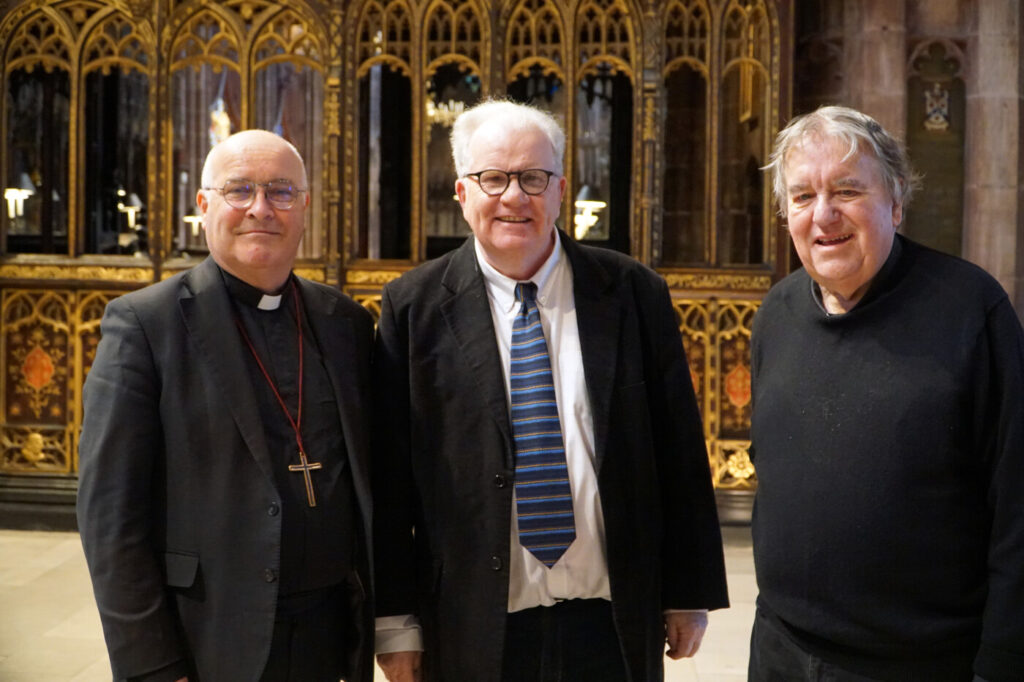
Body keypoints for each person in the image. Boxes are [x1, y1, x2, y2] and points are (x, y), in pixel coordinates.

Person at [371, 99, 729, 682]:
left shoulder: (632, 293)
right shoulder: (412, 308)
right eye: (493, 178)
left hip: (611, 620)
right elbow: (391, 484)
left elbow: (679, 449)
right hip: (471, 621)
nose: (514, 197)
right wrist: (397, 622)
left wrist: (687, 592)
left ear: (561, 189)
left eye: (533, 178)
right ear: (463, 193)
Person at [77, 130, 375, 682]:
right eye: (239, 190)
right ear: (204, 205)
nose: (261, 208)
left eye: (281, 191)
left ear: (305, 206)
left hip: (332, 638)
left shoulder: (346, 323)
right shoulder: (147, 325)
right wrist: (152, 666)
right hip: (208, 639)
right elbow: (110, 519)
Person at [750, 105, 1024, 682]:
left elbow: (1016, 508)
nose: (823, 214)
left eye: (847, 190)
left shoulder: (970, 309)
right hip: (782, 653)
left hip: (920, 664)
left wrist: (1002, 663)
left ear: (896, 202)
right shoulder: (775, 314)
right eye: (802, 197)